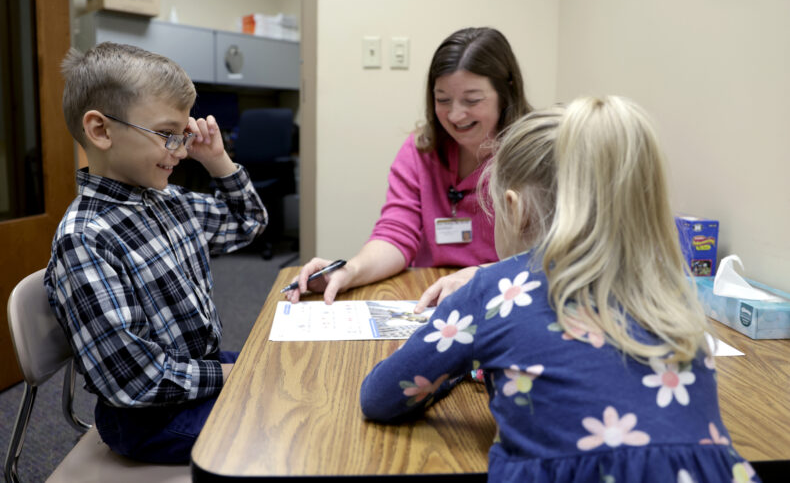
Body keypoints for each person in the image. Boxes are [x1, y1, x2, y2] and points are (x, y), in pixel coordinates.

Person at [360, 96, 758, 482]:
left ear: (513, 208)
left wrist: (457, 366)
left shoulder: (493, 290)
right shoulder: (669, 292)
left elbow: (380, 397)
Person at [45, 42, 267, 464]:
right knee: (284, 421)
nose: (181, 152)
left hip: (197, 373)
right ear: (101, 130)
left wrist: (218, 160)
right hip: (149, 418)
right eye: (168, 135)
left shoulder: (167, 200)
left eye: (184, 135)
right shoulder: (87, 240)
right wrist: (233, 376)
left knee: (291, 368)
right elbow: (136, 381)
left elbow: (248, 224)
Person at [287, 27, 532, 307]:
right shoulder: (420, 150)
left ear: (507, 91)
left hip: (507, 296)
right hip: (430, 296)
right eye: (442, 99)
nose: (454, 115)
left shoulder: (536, 153)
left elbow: (552, 254)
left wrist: (481, 276)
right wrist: (351, 271)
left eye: (472, 100)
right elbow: (396, 233)